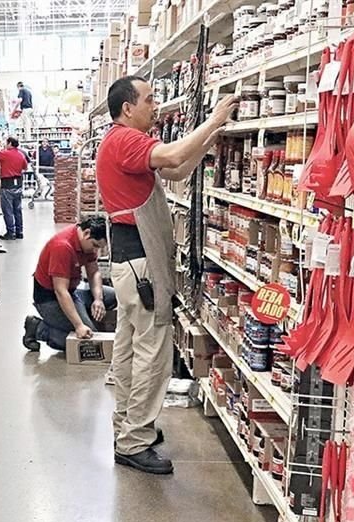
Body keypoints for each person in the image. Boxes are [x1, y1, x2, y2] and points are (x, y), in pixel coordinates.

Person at [96, 75, 237, 475]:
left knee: (128, 347)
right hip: (142, 262)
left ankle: (127, 426)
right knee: (153, 353)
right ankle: (134, 440)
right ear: (128, 108)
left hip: (130, 262)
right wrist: (210, 121)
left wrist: (212, 135)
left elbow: (176, 170)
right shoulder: (126, 140)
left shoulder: (121, 142)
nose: (155, 105)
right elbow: (174, 158)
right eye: (150, 99)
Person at [22, 216, 115, 351]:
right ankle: (38, 328)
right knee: (89, 343)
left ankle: (81, 317)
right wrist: (78, 325)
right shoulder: (62, 247)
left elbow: (94, 273)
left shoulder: (87, 244)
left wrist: (98, 300)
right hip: (51, 299)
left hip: (72, 292)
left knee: (112, 296)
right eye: (95, 245)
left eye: (99, 248)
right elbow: (60, 291)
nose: (96, 251)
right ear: (87, 233)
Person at [0, 136, 28, 240]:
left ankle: (11, 232)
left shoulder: (5, 153)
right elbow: (25, 167)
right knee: (17, 209)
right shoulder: (21, 154)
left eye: (6, 143)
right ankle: (19, 232)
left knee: (8, 210)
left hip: (7, 184)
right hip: (18, 183)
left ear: (10, 144)